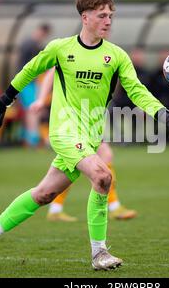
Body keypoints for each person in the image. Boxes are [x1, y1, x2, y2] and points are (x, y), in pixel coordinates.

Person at [0, 0, 169, 271]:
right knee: (102, 176)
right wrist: (3, 101)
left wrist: (164, 115)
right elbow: (30, 70)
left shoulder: (116, 56)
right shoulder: (61, 48)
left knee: (44, 194)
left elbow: (138, 91)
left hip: (89, 137)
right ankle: (99, 253)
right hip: (64, 132)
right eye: (102, 15)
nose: (108, 21)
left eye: (110, 16)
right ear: (85, 17)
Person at [29, 68, 138, 222]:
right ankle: (113, 207)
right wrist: (41, 98)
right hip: (72, 119)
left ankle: (56, 209)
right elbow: (51, 73)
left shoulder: (103, 53)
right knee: (97, 157)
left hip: (87, 119)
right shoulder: (73, 48)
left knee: (73, 165)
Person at [17, 23, 52, 147]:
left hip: (29, 83)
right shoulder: (31, 45)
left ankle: (29, 137)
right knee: (33, 110)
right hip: (27, 83)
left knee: (30, 110)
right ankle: (33, 138)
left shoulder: (30, 43)